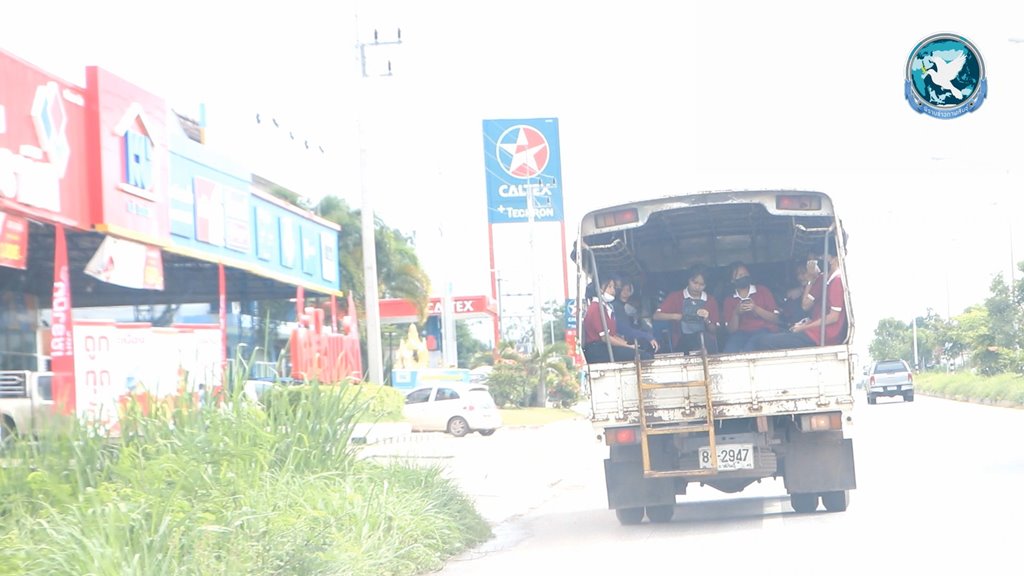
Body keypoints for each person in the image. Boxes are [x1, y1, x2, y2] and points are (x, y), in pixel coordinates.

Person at [751, 243, 847, 351]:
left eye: (816, 260)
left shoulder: (837, 280)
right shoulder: (825, 280)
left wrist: (803, 327)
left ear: (834, 259)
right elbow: (809, 307)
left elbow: (833, 317)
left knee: (763, 342)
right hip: (814, 332)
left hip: (822, 336)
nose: (812, 265)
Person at [653, 266, 719, 354]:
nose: (697, 287)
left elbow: (714, 330)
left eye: (701, 285)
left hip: (706, 342)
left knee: (702, 337)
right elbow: (656, 316)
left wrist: (707, 320)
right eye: (695, 282)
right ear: (688, 280)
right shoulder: (675, 297)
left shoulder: (710, 300)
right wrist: (677, 316)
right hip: (681, 342)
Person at [721, 262, 780, 353]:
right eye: (740, 275)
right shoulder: (729, 299)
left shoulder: (762, 290)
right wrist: (736, 313)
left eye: (745, 274)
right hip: (740, 334)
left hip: (763, 330)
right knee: (729, 351)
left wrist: (755, 308)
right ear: (732, 280)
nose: (744, 277)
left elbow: (776, 319)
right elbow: (731, 330)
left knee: (749, 349)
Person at [582, 276, 643, 363]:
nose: (613, 290)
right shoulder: (595, 308)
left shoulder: (604, 307)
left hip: (605, 347)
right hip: (598, 350)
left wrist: (627, 344)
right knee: (643, 356)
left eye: (613, 287)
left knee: (641, 350)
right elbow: (605, 338)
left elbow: (612, 335)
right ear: (600, 290)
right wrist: (627, 347)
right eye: (609, 287)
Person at [611, 279, 659, 357]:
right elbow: (625, 330)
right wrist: (646, 336)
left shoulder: (633, 305)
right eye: (623, 289)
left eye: (628, 290)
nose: (625, 292)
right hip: (622, 340)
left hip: (630, 336)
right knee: (646, 355)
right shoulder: (616, 306)